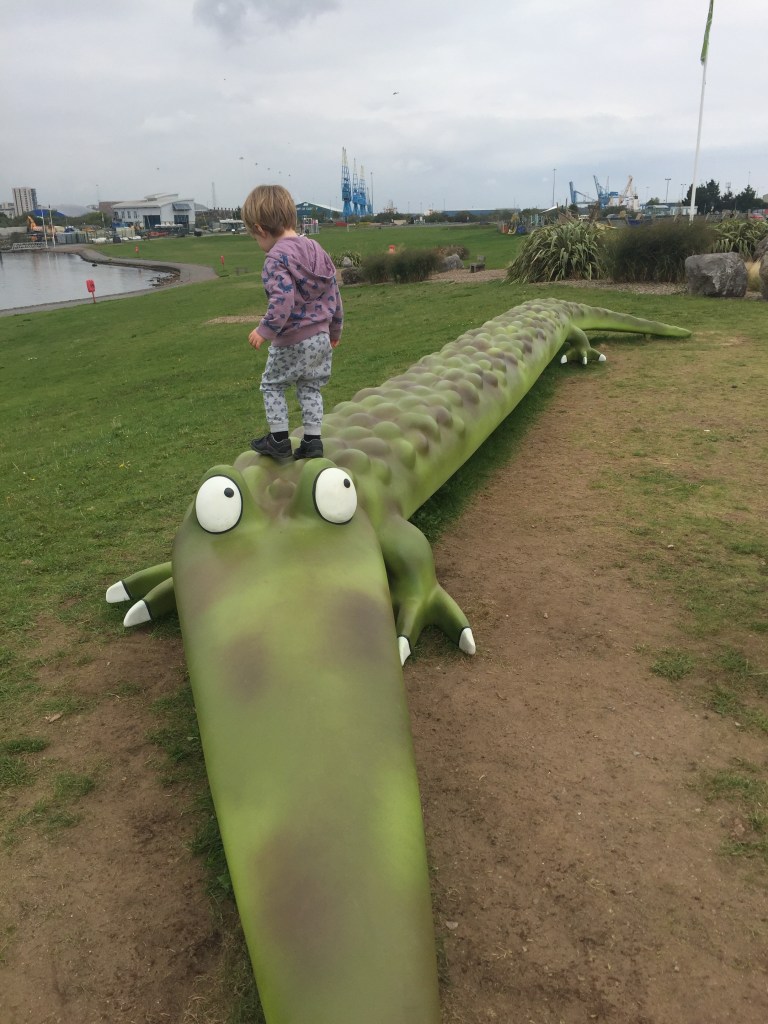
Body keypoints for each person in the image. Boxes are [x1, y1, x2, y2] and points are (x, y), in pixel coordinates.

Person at [242, 184, 343, 460]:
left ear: (261, 229)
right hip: (321, 337)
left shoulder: (276, 258)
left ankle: (278, 439)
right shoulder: (316, 249)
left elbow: (282, 301)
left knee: (272, 384)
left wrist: (265, 330)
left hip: (293, 338)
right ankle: (312, 440)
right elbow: (333, 291)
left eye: (255, 236)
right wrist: (334, 328)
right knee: (310, 385)